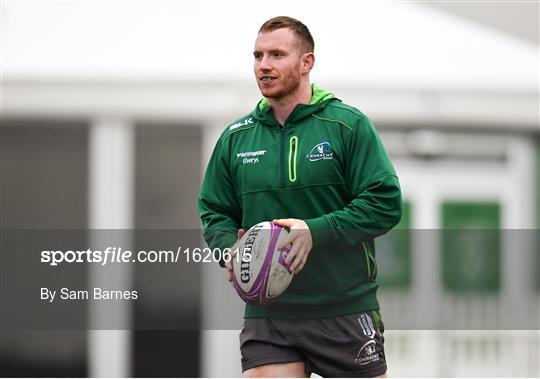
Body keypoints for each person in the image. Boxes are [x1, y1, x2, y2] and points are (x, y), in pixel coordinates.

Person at [199, 16, 402, 378]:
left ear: (306, 62)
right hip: (269, 313)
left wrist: (315, 231)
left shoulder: (347, 125)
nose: (264, 65)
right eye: (258, 56)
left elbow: (384, 203)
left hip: (343, 308)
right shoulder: (236, 138)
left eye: (276, 54)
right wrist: (228, 248)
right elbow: (215, 210)